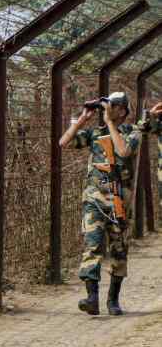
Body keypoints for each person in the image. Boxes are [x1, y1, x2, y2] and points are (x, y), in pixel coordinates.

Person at [59, 91, 141, 316]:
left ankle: (112, 300)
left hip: (119, 203)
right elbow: (64, 142)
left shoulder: (132, 132)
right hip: (94, 200)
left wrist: (108, 123)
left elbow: (123, 151)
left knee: (118, 250)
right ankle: (91, 297)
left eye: (112, 106)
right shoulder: (95, 133)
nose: (107, 109)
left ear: (122, 111)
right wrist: (83, 119)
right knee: (92, 246)